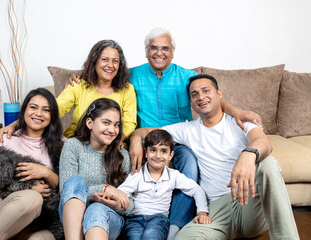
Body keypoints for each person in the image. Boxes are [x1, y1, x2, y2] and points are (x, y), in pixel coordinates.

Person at [67, 29, 262, 239]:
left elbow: (210, 96)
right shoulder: (132, 75)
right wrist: (82, 74)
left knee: (189, 160)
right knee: (133, 165)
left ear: (173, 52)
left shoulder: (187, 76)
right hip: (145, 138)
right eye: (154, 48)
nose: (159, 53)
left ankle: (177, 226)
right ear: (146, 52)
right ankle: (132, 217)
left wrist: (238, 112)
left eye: (165, 48)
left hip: (178, 140)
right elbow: (107, 75)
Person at [129, 74, 299, 240]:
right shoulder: (188, 130)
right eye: (194, 94)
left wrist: (248, 154)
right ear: (191, 102)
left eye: (206, 91)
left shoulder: (240, 122)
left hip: (249, 204)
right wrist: (136, 138)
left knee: (267, 163)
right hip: (217, 210)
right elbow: (146, 132)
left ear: (219, 94)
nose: (201, 97)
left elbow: (264, 143)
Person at [0, 39, 137, 146]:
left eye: (115, 61)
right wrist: (15, 124)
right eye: (104, 59)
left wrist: (116, 140)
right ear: (94, 62)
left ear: (120, 65)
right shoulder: (79, 84)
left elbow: (130, 123)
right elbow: (55, 108)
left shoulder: (127, 89)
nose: (110, 65)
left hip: (112, 144)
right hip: (79, 143)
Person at [0, 88, 64, 240]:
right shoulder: (5, 140)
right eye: (33, 107)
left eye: (46, 110)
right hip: (5, 207)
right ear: (24, 110)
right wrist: (28, 189)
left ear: (52, 116)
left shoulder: (62, 145)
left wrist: (45, 172)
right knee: (32, 198)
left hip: (43, 219)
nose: (38, 114)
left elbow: (67, 187)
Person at [104, 129, 210, 240]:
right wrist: (108, 197)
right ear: (145, 153)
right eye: (153, 150)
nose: (158, 156)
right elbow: (120, 193)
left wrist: (202, 212)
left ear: (170, 155)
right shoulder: (137, 175)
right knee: (133, 237)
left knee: (150, 236)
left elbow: (197, 190)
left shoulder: (174, 176)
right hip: (134, 219)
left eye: (163, 151)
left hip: (158, 220)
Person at [59, 98, 132, 240]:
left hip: (107, 219)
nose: (112, 130)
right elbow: (66, 191)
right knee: (75, 181)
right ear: (89, 123)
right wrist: (104, 188)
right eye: (106, 122)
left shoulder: (122, 155)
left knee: (96, 209)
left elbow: (130, 205)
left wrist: (117, 204)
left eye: (116, 125)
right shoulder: (73, 146)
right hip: (71, 218)